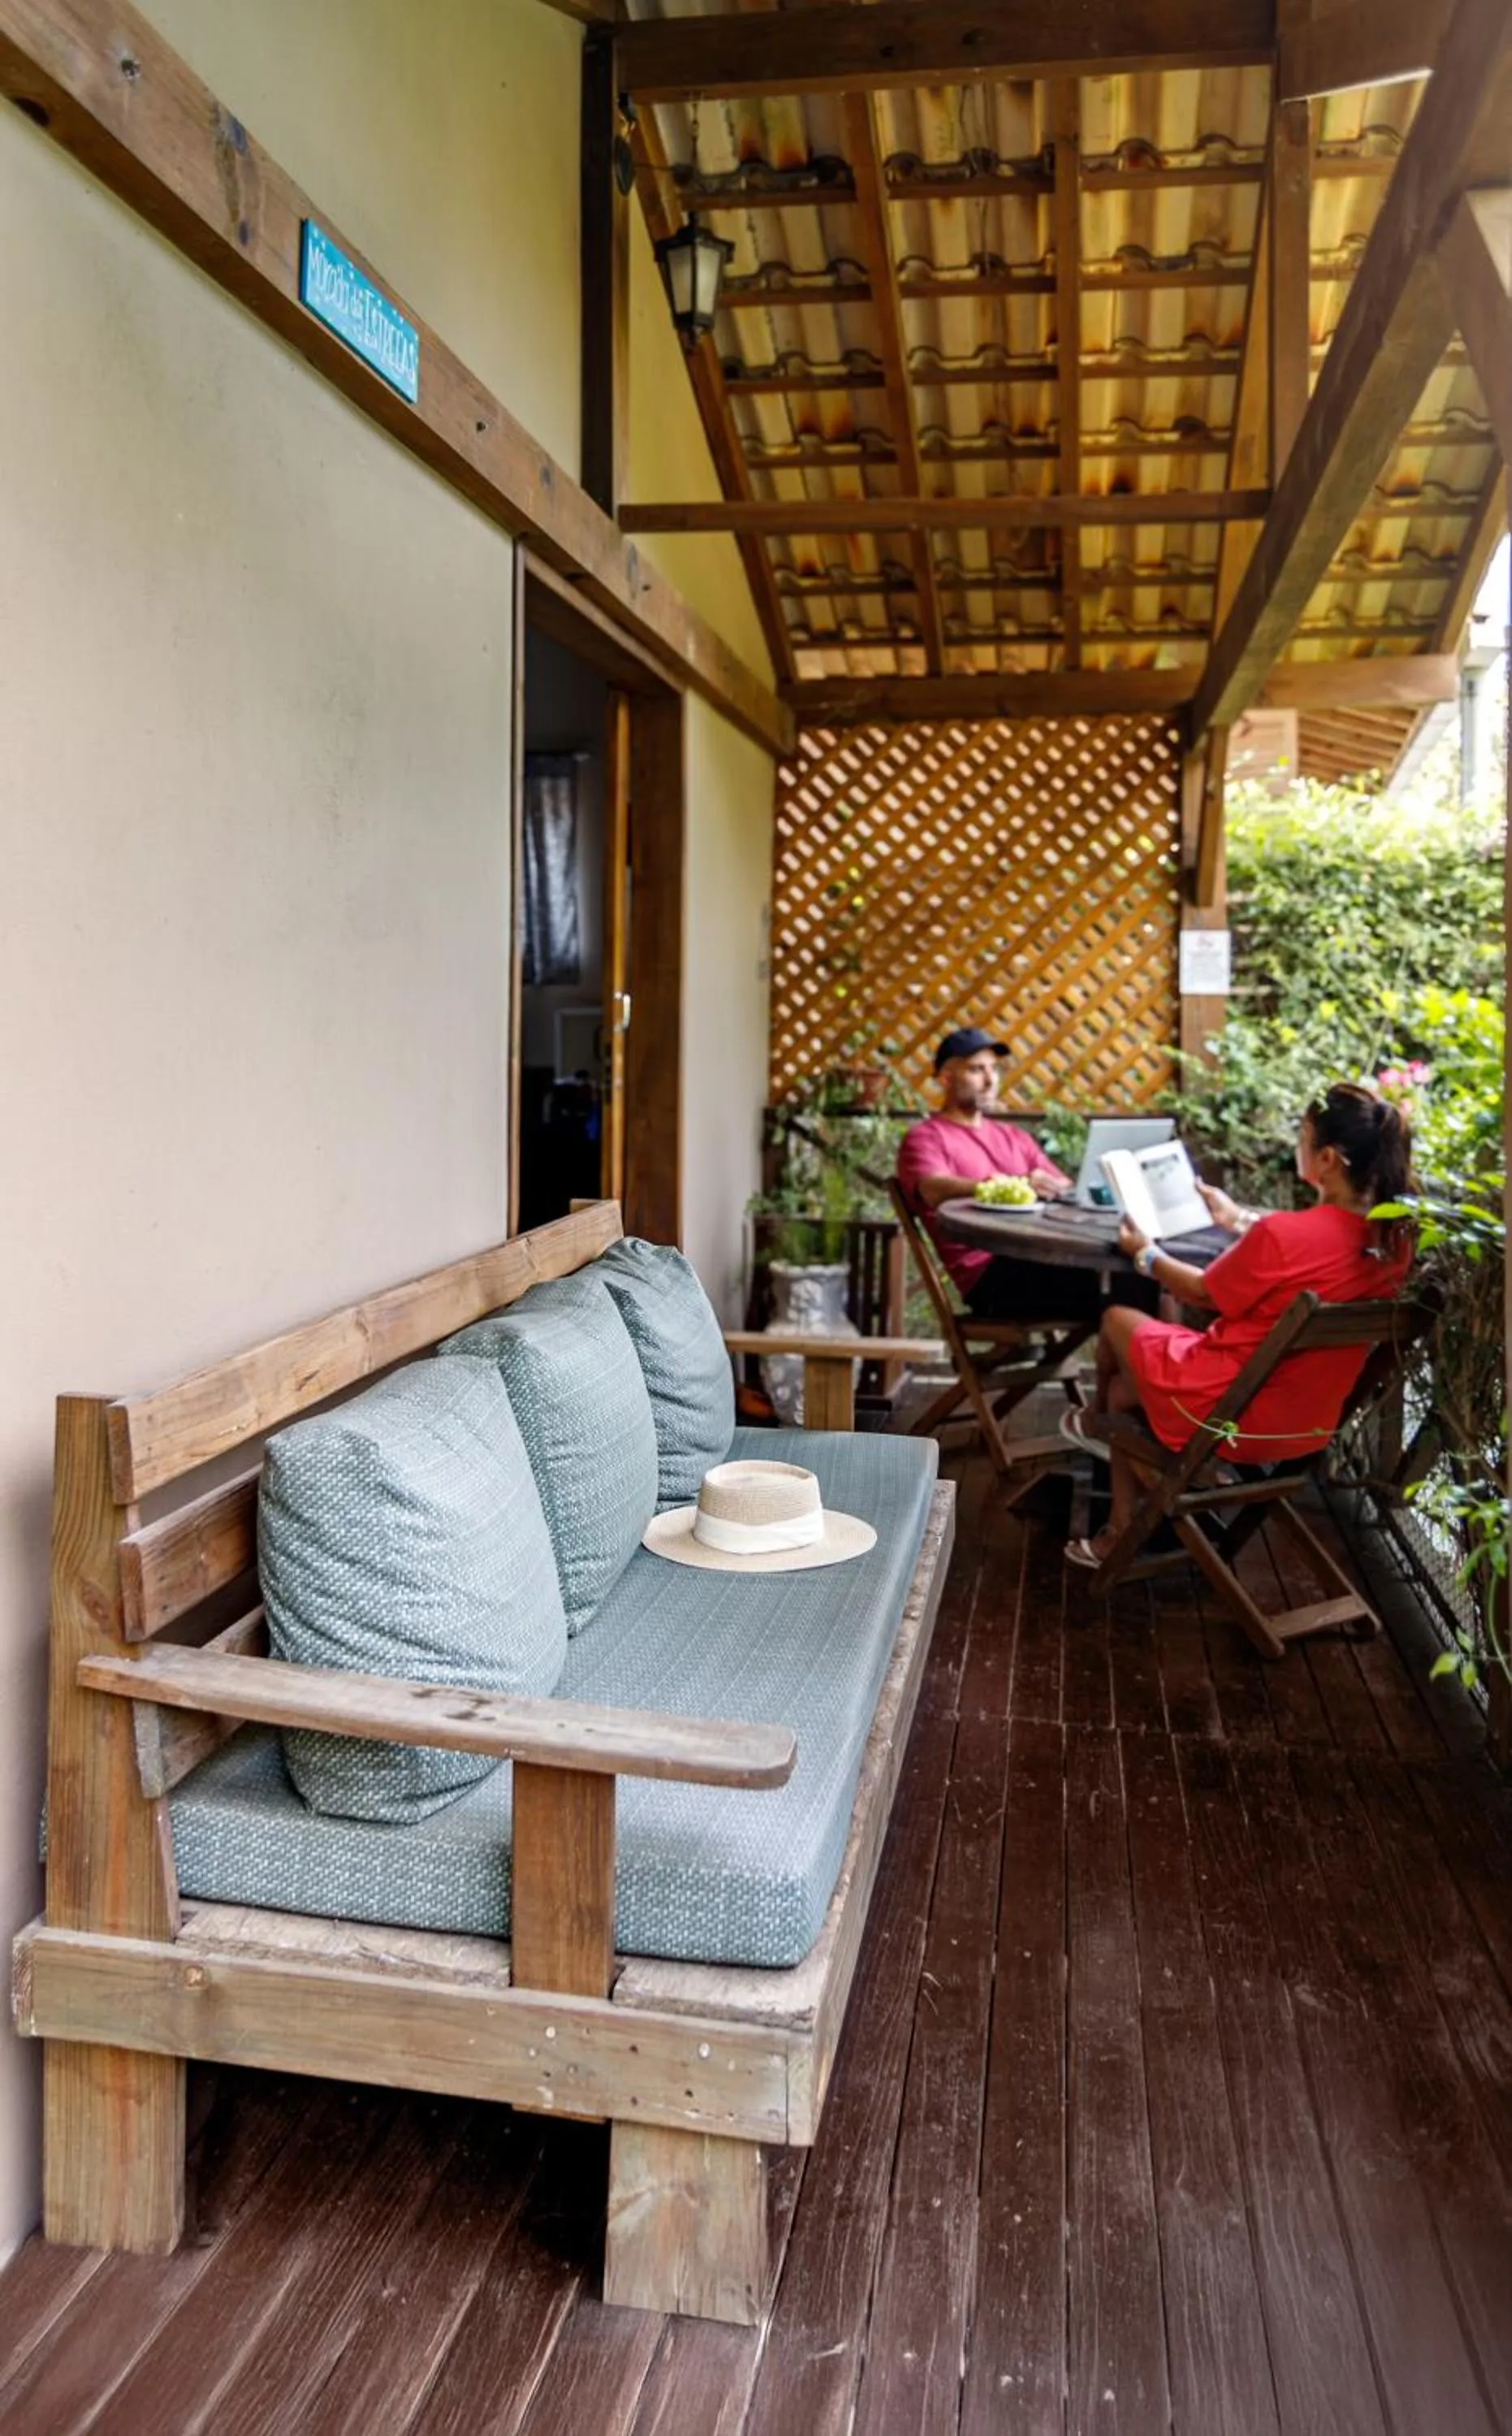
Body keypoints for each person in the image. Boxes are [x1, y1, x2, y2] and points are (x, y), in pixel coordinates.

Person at [1061, 1082, 1415, 1568]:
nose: (1300, 1144)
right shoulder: (1396, 1244)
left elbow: (1202, 1292)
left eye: (1304, 1135)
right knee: (1126, 1393)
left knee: (1116, 1318)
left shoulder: (1282, 1235)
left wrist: (1144, 1253)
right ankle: (1119, 1530)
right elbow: (1323, 1246)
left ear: (1328, 1159)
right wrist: (1239, 1219)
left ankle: (1094, 1426)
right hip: (1306, 1422)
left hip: (1225, 1412)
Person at [896, 1026, 1106, 1323]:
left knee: (1137, 1278)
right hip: (989, 1277)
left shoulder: (1014, 1136)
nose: (990, 1080)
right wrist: (1003, 1184)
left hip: (1039, 1257)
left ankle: (1127, 1366)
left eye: (994, 1069)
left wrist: (1057, 1187)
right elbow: (932, 1188)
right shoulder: (926, 1138)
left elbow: (1064, 1185)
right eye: (976, 1070)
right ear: (945, 1077)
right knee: (1126, 1288)